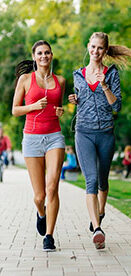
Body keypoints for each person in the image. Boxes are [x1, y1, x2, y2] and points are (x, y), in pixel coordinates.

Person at [68, 32, 131, 249]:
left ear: (105, 51)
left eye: (100, 48)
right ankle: (97, 229)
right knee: (92, 180)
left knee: (103, 182)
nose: (95, 51)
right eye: (93, 47)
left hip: (105, 133)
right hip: (83, 133)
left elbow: (116, 107)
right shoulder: (78, 75)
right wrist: (75, 100)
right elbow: (82, 101)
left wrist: (105, 85)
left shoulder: (112, 74)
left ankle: (101, 212)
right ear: (88, 46)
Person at [12, 40, 65, 252]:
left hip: (54, 137)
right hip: (32, 138)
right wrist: (33, 106)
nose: (44, 56)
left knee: (52, 187)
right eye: (40, 53)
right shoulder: (25, 79)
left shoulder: (60, 80)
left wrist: (60, 111)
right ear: (34, 57)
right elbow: (15, 110)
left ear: (51, 56)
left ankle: (49, 236)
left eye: (47, 53)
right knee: (39, 196)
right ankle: (41, 213)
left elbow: (57, 107)